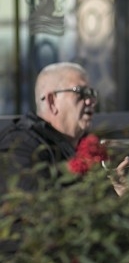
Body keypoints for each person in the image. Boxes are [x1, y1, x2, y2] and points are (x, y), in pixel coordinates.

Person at [0, 62, 100, 192]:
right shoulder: (21, 145)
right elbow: (36, 205)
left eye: (91, 93)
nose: (90, 101)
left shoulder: (89, 146)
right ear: (52, 101)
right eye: (80, 92)